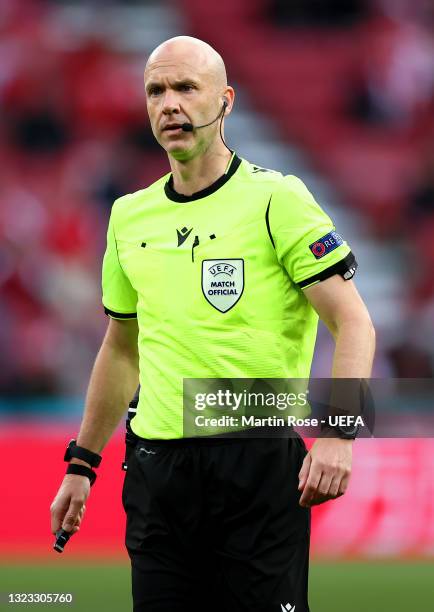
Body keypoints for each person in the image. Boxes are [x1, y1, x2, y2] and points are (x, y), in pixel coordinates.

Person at [50, 36, 376, 612]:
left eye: (185, 88)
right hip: (157, 470)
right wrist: (83, 463)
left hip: (256, 458)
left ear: (225, 101)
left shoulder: (278, 199)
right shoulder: (129, 215)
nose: (169, 104)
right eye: (156, 91)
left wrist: (339, 434)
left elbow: (353, 322)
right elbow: (122, 347)